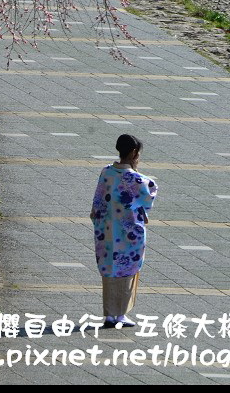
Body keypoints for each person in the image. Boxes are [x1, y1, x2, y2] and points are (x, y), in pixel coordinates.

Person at [90, 134, 157, 328]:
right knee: (128, 268)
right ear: (134, 153)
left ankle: (109, 314)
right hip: (128, 233)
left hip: (108, 230)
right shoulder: (136, 179)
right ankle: (120, 314)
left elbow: (98, 200)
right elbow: (150, 190)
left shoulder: (107, 173)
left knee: (109, 268)